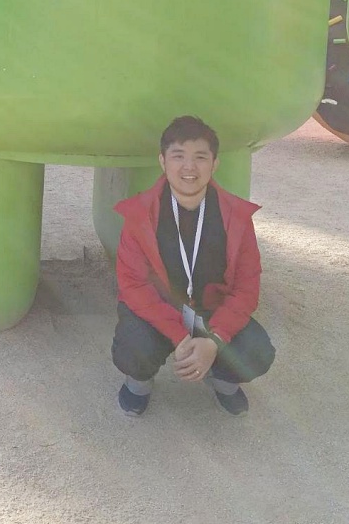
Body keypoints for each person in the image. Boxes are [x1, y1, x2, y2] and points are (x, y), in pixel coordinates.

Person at [111, 115, 275, 417]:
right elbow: (133, 286)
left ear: (214, 164)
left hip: (212, 310)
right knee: (133, 344)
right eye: (178, 156)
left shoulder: (237, 217)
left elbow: (246, 288)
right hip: (160, 311)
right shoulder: (139, 215)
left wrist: (215, 341)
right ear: (162, 161)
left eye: (200, 157)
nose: (189, 167)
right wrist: (181, 336)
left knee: (258, 350)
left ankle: (222, 381)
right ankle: (139, 383)